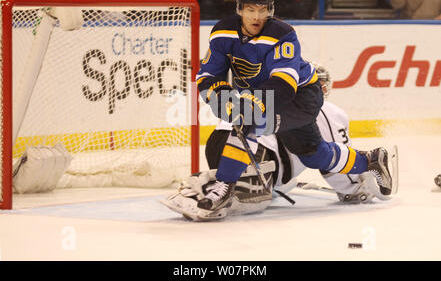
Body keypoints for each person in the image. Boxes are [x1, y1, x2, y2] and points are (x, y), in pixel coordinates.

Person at [194, 0, 394, 221]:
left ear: (271, 10)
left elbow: (283, 86)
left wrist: (249, 105)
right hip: (269, 97)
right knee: (312, 154)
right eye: (251, 9)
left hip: (301, 97)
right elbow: (208, 75)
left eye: (263, 9)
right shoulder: (222, 32)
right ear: (239, 9)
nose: (257, 16)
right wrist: (220, 99)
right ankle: (371, 160)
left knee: (251, 123)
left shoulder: (283, 34)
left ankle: (224, 187)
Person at [162, 64, 393, 221]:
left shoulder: (274, 92)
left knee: (248, 179)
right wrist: (356, 190)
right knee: (263, 191)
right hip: (260, 154)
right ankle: (205, 189)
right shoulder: (328, 110)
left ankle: (215, 183)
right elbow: (336, 171)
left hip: (221, 139)